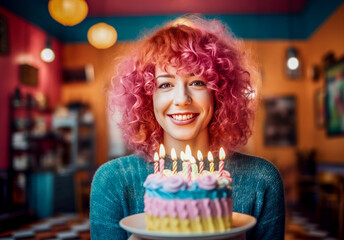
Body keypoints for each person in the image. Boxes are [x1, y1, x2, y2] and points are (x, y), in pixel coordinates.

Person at [90, 16, 285, 240]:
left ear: (218, 93)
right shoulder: (112, 180)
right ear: (146, 98)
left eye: (197, 82)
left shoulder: (263, 180)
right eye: (165, 84)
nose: (182, 99)